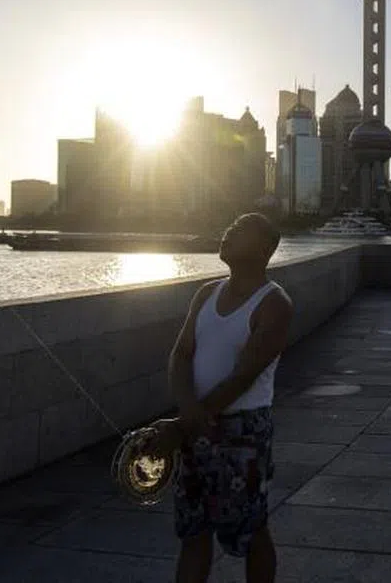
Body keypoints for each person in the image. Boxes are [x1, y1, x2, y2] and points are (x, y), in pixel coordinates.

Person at [145, 212, 293, 583]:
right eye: (230, 227)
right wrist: (187, 412)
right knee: (193, 531)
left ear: (263, 249)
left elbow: (243, 376)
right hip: (194, 425)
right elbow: (181, 354)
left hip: (243, 432)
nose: (227, 232)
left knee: (250, 529)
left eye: (239, 230)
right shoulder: (206, 293)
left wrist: (184, 424)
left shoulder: (274, 304)